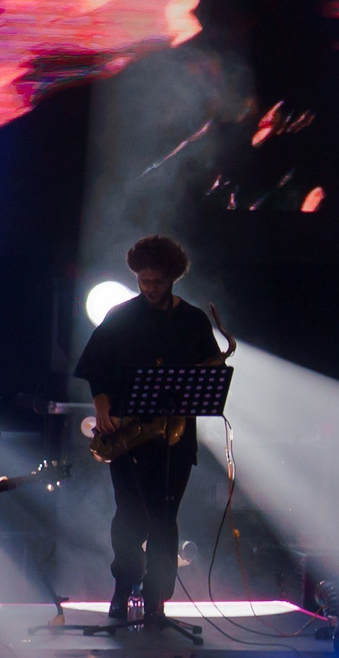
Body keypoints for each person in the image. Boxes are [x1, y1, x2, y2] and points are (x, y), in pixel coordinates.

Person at [72, 234, 223, 631]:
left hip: (175, 439)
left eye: (157, 281)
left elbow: (210, 373)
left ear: (173, 278)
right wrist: (103, 407)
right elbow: (95, 368)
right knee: (129, 517)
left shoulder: (193, 321)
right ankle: (124, 587)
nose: (149, 288)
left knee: (165, 518)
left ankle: (157, 598)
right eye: (143, 280)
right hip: (128, 437)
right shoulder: (120, 315)